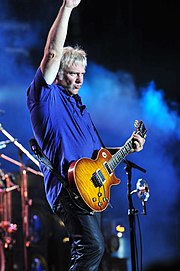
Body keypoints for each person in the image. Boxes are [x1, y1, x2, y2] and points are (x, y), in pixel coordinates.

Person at [27, 0, 146, 270]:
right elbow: (52, 54)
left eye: (82, 74)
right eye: (73, 74)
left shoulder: (80, 108)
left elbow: (98, 158)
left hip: (88, 189)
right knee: (92, 246)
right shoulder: (46, 98)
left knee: (96, 248)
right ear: (59, 75)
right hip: (67, 189)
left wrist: (129, 148)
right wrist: (67, 8)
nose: (80, 80)